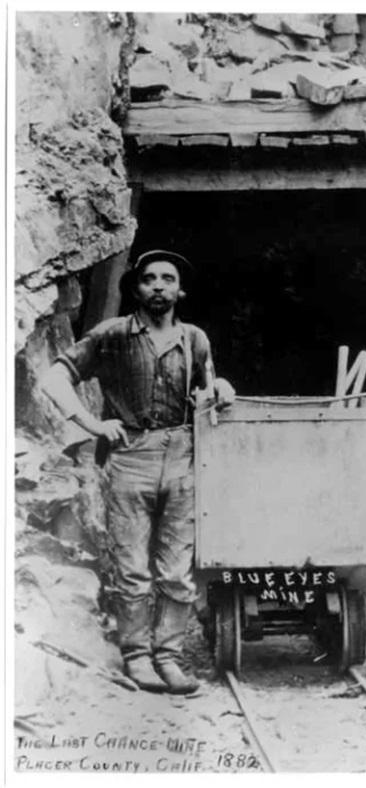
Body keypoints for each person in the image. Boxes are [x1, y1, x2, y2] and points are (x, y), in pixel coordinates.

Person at [42, 250, 234, 694]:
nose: (159, 286)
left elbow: (207, 388)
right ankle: (136, 655)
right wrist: (91, 423)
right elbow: (54, 378)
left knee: (177, 571)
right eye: (149, 279)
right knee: (131, 567)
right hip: (131, 456)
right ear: (136, 289)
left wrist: (220, 388)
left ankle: (168, 656)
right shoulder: (112, 334)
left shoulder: (194, 338)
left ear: (180, 289)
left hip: (184, 455)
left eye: (168, 278)